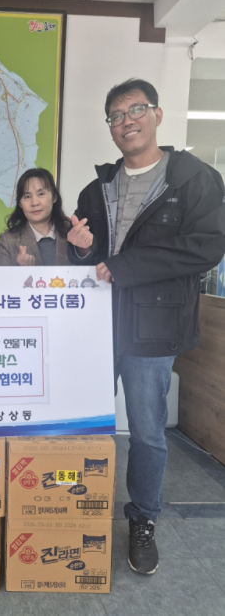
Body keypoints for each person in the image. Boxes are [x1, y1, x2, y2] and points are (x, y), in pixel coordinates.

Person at [67, 78, 225, 575]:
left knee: (148, 433)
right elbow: (91, 260)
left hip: (153, 329)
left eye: (135, 110)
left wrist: (126, 266)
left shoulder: (194, 179)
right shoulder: (97, 188)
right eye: (116, 116)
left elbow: (206, 247)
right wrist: (79, 249)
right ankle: (72, 506)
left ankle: (143, 520)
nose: (126, 122)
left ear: (156, 114)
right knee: (84, 427)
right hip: (97, 327)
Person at [0, 168, 70, 266]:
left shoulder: (72, 235)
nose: (34, 203)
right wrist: (20, 269)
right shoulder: (7, 241)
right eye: (27, 197)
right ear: (20, 204)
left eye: (41, 194)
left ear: (54, 197)